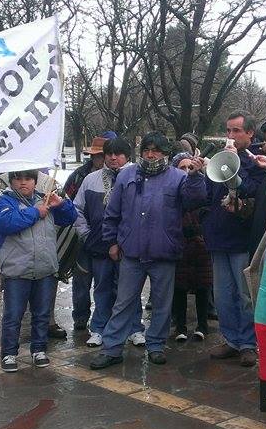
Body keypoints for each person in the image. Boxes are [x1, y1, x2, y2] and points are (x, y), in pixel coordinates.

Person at [89, 132, 207, 370]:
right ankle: (112, 348)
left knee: (163, 303)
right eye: (146, 150)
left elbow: (196, 199)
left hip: (164, 253)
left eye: (156, 150)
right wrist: (111, 241)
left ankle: (156, 345)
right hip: (131, 252)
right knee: (123, 302)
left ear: (165, 153)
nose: (150, 154)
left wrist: (195, 176)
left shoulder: (178, 178)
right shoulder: (126, 176)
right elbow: (113, 212)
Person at [0, 170, 78, 372]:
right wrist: (35, 212)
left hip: (45, 268)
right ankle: (9, 354)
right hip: (16, 270)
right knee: (13, 315)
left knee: (41, 313)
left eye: (28, 179)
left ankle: (39, 349)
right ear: (11, 181)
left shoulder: (46, 199)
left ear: (35, 181)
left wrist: (62, 205)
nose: (23, 183)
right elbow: (6, 223)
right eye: (18, 179)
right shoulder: (4, 202)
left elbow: (70, 218)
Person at [205, 111, 266, 367]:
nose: (231, 136)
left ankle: (248, 343)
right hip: (219, 237)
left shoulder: (258, 162)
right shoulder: (218, 159)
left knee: (245, 295)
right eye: (228, 131)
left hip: (243, 239)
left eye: (236, 131)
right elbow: (209, 195)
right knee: (223, 294)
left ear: (250, 133)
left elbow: (256, 190)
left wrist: (237, 169)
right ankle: (231, 339)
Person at [72, 137, 145, 347]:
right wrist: (85, 234)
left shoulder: (138, 178)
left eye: (119, 154)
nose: (113, 158)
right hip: (99, 244)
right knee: (102, 288)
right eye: (109, 154)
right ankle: (99, 328)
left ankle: (134, 328)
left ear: (127, 156)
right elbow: (77, 209)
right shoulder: (91, 179)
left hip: (129, 247)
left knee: (129, 289)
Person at [65, 132, 116, 332]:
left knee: (108, 282)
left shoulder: (121, 176)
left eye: (103, 155)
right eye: (97, 155)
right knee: (81, 280)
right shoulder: (79, 176)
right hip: (84, 239)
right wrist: (83, 232)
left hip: (110, 242)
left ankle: (107, 317)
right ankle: (80, 317)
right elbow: (70, 204)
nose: (101, 159)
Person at [170, 152, 214, 342]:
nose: (187, 171)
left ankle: (202, 325)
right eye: (182, 168)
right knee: (179, 286)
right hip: (180, 244)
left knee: (203, 286)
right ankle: (180, 325)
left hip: (200, 244)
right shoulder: (174, 191)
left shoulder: (202, 189)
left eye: (190, 167)